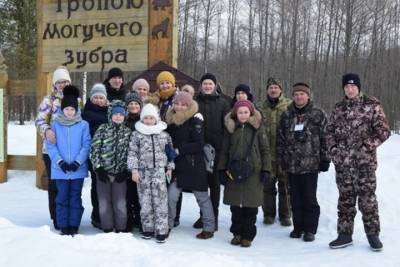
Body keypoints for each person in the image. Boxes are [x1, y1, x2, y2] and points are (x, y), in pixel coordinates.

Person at [326, 73, 390, 251]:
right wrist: (334, 151)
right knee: (345, 200)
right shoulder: (338, 108)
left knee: (367, 201)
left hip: (365, 164)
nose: (350, 89)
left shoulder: (371, 105)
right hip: (343, 165)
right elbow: (329, 132)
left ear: (359, 88)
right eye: (346, 87)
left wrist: (366, 146)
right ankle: (345, 235)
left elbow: (384, 132)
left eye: (353, 86)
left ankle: (373, 235)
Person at [277, 83, 330, 242]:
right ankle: (298, 227)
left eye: (302, 94)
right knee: (294, 198)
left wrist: (325, 159)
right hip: (291, 164)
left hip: (310, 165)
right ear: (292, 97)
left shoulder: (318, 114)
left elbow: (326, 138)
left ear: (308, 96)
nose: (299, 97)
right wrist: (282, 160)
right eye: (296, 94)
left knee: (309, 198)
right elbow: (280, 139)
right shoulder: (287, 115)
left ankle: (310, 229)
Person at [218, 100, 270, 247]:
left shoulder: (258, 128)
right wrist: (222, 169)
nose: (243, 115)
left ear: (251, 113)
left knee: (251, 206)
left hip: (253, 172)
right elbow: (224, 151)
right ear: (235, 113)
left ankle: (248, 235)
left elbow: (265, 150)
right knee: (235, 207)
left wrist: (266, 169)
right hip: (233, 171)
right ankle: (237, 233)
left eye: (246, 112)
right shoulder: (230, 128)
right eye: (240, 112)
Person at [165, 92, 215, 239]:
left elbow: (199, 144)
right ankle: (167, 225)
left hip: (194, 165)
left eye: (183, 104)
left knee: (202, 198)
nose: (179, 106)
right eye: (177, 103)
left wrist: (179, 150)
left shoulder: (195, 120)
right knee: (171, 196)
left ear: (188, 105)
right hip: (177, 167)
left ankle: (209, 227)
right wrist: (168, 148)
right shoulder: (171, 121)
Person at [46, 85, 91, 236]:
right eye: (67, 109)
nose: (70, 112)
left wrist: (78, 161)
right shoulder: (55, 125)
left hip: (77, 169)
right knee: (62, 197)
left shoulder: (83, 125)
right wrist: (60, 162)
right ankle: (63, 225)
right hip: (61, 170)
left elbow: (86, 145)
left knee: (75, 197)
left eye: (72, 109)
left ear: (76, 110)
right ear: (62, 110)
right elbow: (51, 147)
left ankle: (74, 224)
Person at [127, 104, 175, 243]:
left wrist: (170, 167)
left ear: (156, 119)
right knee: (145, 202)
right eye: (146, 118)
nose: (148, 121)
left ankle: (161, 230)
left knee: (160, 202)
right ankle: (147, 228)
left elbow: (170, 153)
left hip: (159, 173)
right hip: (143, 174)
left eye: (151, 118)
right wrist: (134, 170)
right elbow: (132, 154)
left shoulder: (164, 134)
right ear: (142, 119)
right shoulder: (137, 134)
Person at [35, 66, 73, 230]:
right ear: (55, 84)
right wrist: (47, 130)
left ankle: (70, 215)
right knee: (55, 184)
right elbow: (39, 121)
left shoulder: (76, 99)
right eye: (59, 82)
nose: (63, 84)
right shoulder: (48, 101)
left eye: (65, 81)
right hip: (51, 150)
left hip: (70, 150)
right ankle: (57, 217)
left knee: (70, 184)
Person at [195, 73, 230, 230]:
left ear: (215, 85)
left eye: (210, 84)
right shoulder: (195, 102)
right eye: (205, 84)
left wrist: (224, 148)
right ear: (201, 85)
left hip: (217, 150)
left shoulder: (223, 103)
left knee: (214, 185)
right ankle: (203, 216)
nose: (207, 86)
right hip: (199, 149)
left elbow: (227, 127)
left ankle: (213, 217)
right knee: (201, 185)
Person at [90, 100, 132, 233]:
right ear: (110, 115)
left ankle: (120, 228)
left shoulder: (128, 132)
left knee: (120, 203)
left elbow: (132, 153)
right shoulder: (103, 129)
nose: (118, 116)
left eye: (121, 114)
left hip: (120, 174)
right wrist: (98, 168)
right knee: (104, 202)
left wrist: (127, 170)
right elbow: (94, 149)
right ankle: (107, 227)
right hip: (104, 173)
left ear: (125, 116)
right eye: (115, 114)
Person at [256, 78, 292, 226]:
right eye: (270, 87)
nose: (273, 90)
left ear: (281, 90)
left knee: (285, 186)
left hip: (284, 153)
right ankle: (268, 214)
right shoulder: (259, 106)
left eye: (276, 87)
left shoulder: (289, 105)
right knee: (268, 186)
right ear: (267, 90)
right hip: (267, 153)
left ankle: (285, 215)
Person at [82, 83, 109, 229]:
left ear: (105, 99)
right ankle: (97, 215)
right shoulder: (86, 113)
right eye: (96, 97)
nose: (99, 100)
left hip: (110, 156)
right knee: (96, 185)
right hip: (95, 155)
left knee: (108, 187)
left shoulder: (110, 112)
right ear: (91, 99)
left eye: (101, 97)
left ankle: (107, 215)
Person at [124, 91, 143, 232]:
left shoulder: (144, 121)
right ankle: (129, 220)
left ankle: (141, 220)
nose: (133, 106)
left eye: (136, 103)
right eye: (131, 103)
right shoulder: (123, 121)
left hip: (142, 163)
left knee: (140, 195)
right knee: (128, 194)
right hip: (126, 163)